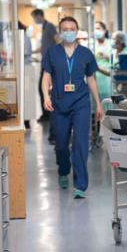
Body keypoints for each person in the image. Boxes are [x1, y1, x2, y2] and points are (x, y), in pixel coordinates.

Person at [41, 16, 103, 198]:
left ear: (77, 31)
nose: (68, 31)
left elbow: (91, 79)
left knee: (81, 143)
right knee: (61, 144)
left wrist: (98, 103)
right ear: (60, 32)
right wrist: (46, 96)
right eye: (65, 29)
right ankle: (63, 170)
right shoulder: (52, 52)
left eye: (72, 28)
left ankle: (80, 185)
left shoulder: (86, 54)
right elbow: (46, 76)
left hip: (81, 102)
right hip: (59, 102)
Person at [31, 9, 58, 127]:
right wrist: (31, 52)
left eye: (35, 17)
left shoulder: (50, 26)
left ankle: (48, 114)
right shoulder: (44, 28)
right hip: (45, 62)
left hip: (51, 63)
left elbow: (57, 40)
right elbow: (44, 46)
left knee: (45, 88)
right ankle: (46, 113)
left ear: (39, 16)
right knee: (43, 88)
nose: (35, 20)